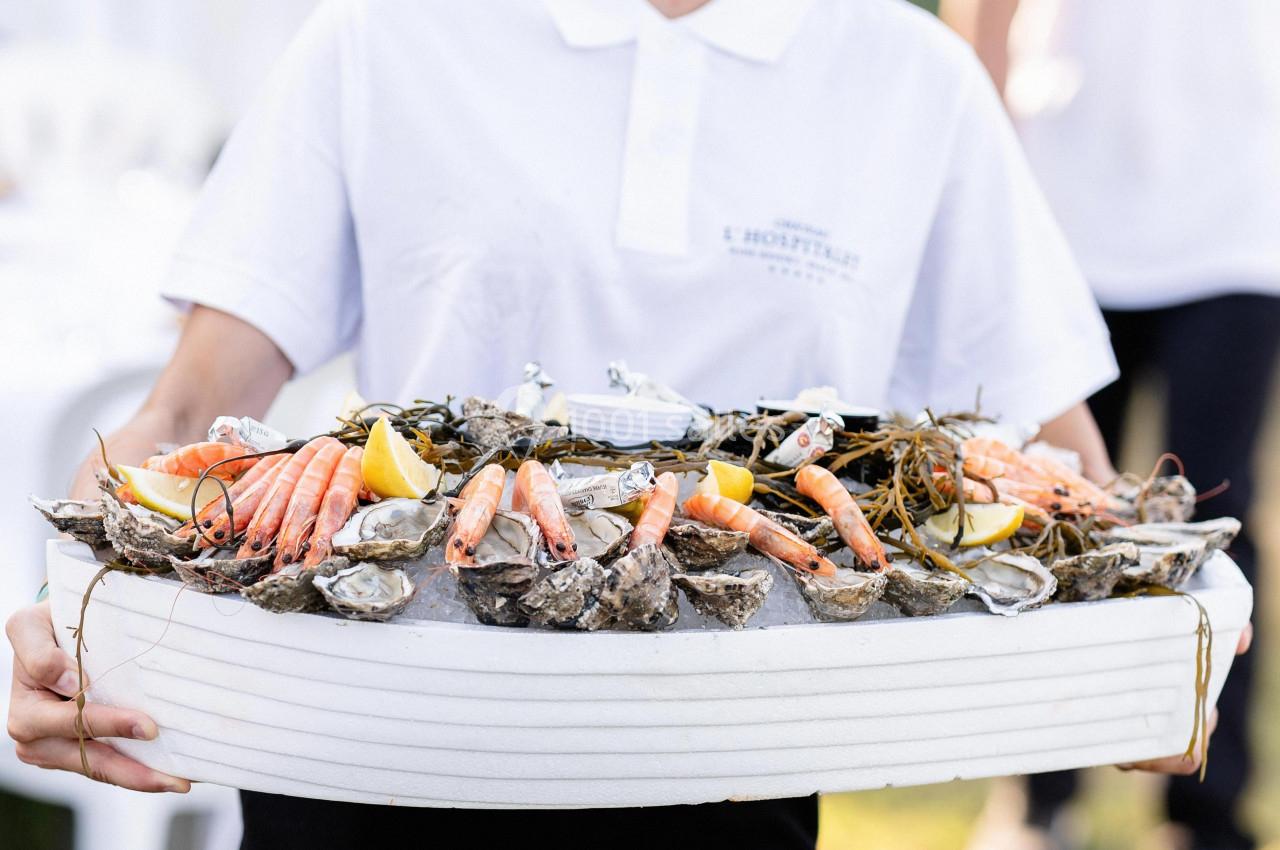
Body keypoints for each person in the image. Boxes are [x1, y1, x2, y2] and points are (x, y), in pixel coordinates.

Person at [5, 1, 1240, 848]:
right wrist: (72, 614)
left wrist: (1140, 657)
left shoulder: (907, 76)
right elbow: (184, 410)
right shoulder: (384, 30)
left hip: (729, 773)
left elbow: (1055, 455)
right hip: (375, 746)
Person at [946, 1, 1280, 848]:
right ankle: (1039, 798)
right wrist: (982, 158)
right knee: (1054, 512)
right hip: (1067, 198)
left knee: (1218, 515)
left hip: (1236, 206)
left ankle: (1205, 815)